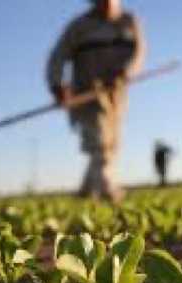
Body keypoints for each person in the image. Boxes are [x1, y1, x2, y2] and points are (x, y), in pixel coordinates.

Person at [46, 0, 145, 202]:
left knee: (111, 143)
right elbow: (57, 56)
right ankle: (107, 190)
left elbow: (138, 52)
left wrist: (127, 72)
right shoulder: (79, 26)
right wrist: (57, 85)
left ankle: (85, 191)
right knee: (99, 142)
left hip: (115, 96)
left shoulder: (129, 21)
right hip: (87, 95)